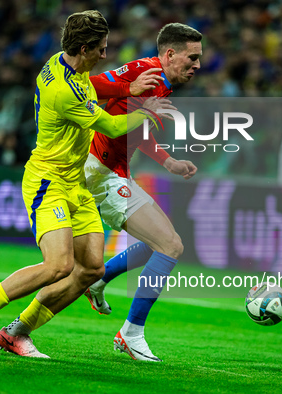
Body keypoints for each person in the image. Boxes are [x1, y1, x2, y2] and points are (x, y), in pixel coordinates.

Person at [0, 10, 174, 358]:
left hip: (76, 183)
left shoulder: (60, 63)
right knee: (58, 265)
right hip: (48, 180)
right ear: (84, 49)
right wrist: (147, 109)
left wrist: (127, 88)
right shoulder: (63, 90)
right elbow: (113, 127)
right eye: (100, 49)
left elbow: (96, 85)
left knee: (92, 269)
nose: (104, 55)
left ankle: (16, 332)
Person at [82, 23, 202, 362]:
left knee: (159, 245)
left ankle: (99, 280)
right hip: (99, 172)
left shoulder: (160, 84)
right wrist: (127, 85)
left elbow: (138, 129)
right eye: (191, 58)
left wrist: (167, 162)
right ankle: (130, 332)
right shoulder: (144, 71)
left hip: (114, 171)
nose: (197, 65)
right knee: (170, 245)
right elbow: (84, 87)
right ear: (169, 54)